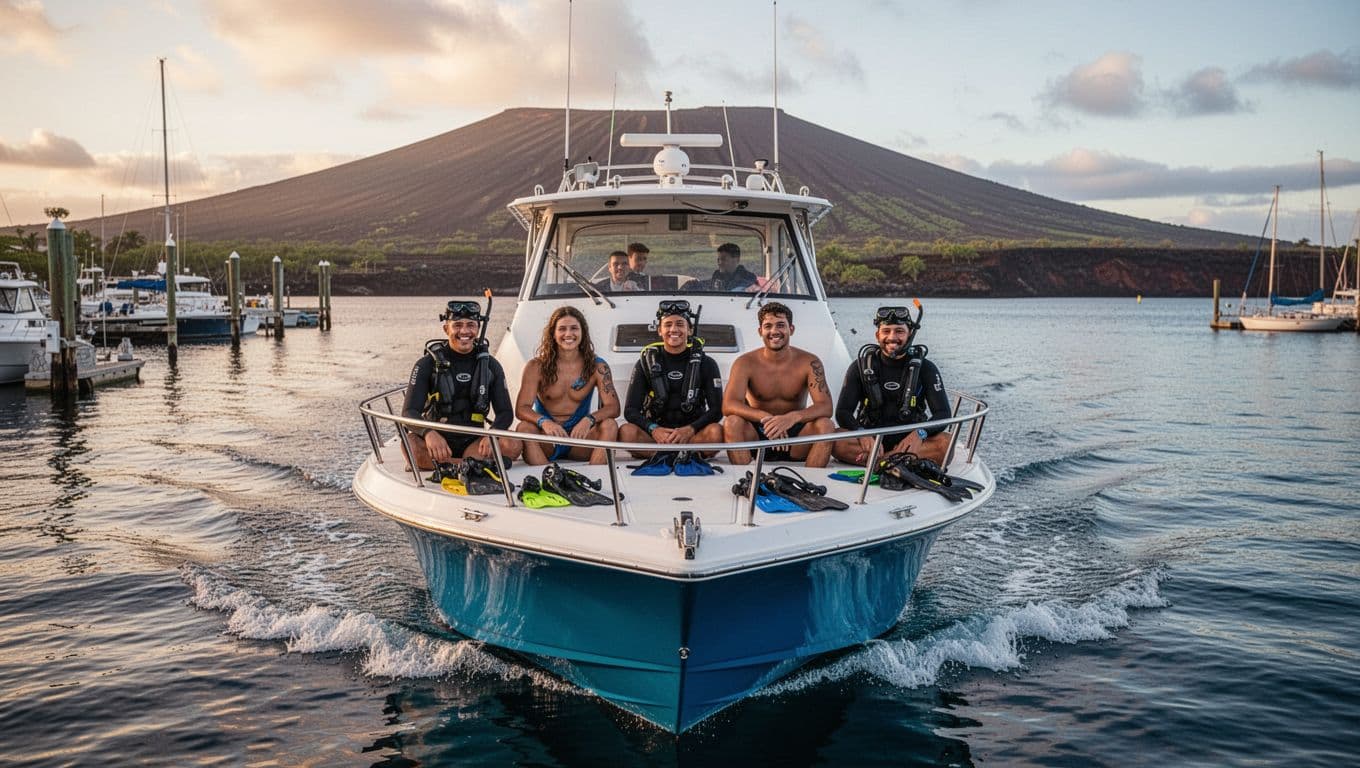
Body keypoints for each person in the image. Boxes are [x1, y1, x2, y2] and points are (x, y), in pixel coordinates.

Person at [402, 299, 522, 470]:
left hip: (475, 442)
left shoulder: (491, 366)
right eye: (457, 325)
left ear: (478, 329)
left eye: (471, 325)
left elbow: (505, 413)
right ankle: (472, 466)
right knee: (410, 445)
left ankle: (450, 466)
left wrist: (492, 434)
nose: (464, 331)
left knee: (513, 444)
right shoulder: (426, 364)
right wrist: (428, 433)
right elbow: (408, 412)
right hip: (438, 441)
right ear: (446, 328)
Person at [832, 304, 952, 466]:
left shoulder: (926, 368)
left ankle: (879, 463)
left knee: (946, 444)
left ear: (909, 334)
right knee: (836, 441)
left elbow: (943, 413)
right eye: (886, 331)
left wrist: (920, 433)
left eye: (899, 331)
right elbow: (843, 412)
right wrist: (862, 434)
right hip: (870, 441)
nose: (892, 337)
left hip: (910, 444)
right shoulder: (860, 366)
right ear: (877, 335)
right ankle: (894, 462)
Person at [721, 302, 835, 467]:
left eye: (781, 325)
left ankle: (812, 484)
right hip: (758, 434)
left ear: (791, 329)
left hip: (795, 436)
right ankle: (743, 481)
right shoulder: (745, 363)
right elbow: (729, 405)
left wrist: (791, 418)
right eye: (768, 326)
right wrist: (766, 418)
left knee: (826, 425)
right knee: (732, 422)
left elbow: (826, 407)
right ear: (761, 331)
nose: (774, 331)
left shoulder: (809, 362)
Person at [515, 306, 620, 464]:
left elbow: (613, 407)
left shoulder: (597, 366)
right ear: (553, 334)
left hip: (580, 439)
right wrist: (544, 422)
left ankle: (597, 477)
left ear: (582, 332)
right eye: (562, 329)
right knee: (523, 428)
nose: (568, 334)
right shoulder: (536, 367)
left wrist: (589, 420)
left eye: (574, 328)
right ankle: (544, 478)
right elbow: (521, 408)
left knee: (610, 425)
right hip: (547, 438)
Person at [619, 300, 724, 457]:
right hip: (656, 438)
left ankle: (675, 454)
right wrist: (653, 429)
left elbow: (716, 410)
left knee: (716, 432)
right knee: (626, 432)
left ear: (690, 330)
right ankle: (675, 455)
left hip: (692, 437)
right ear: (660, 331)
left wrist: (690, 429)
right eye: (668, 325)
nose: (674, 329)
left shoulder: (707, 363)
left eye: (680, 324)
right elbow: (630, 410)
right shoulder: (645, 363)